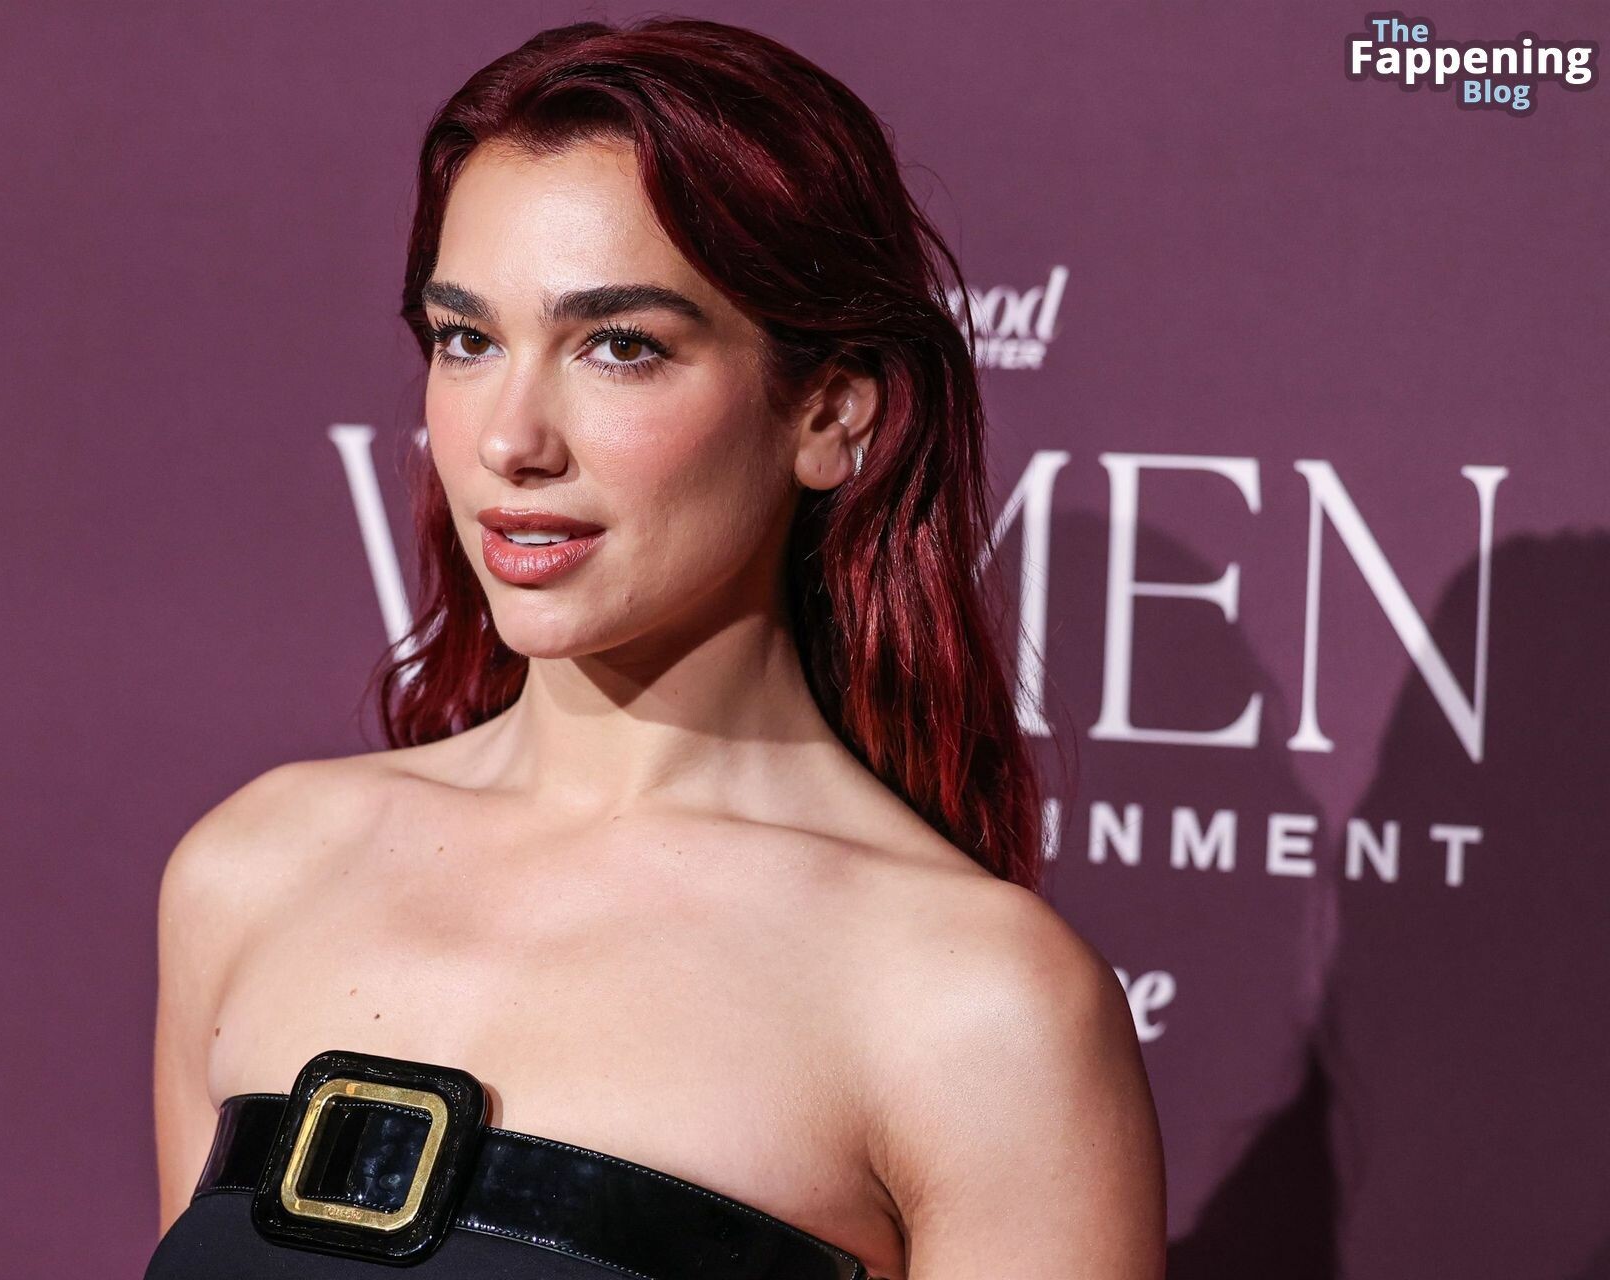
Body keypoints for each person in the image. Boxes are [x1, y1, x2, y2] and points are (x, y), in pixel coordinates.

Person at [147, 16, 1164, 1279]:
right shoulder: (253, 873)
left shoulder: (973, 1004)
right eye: (467, 339)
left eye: (620, 346)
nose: (511, 439)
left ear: (830, 411)